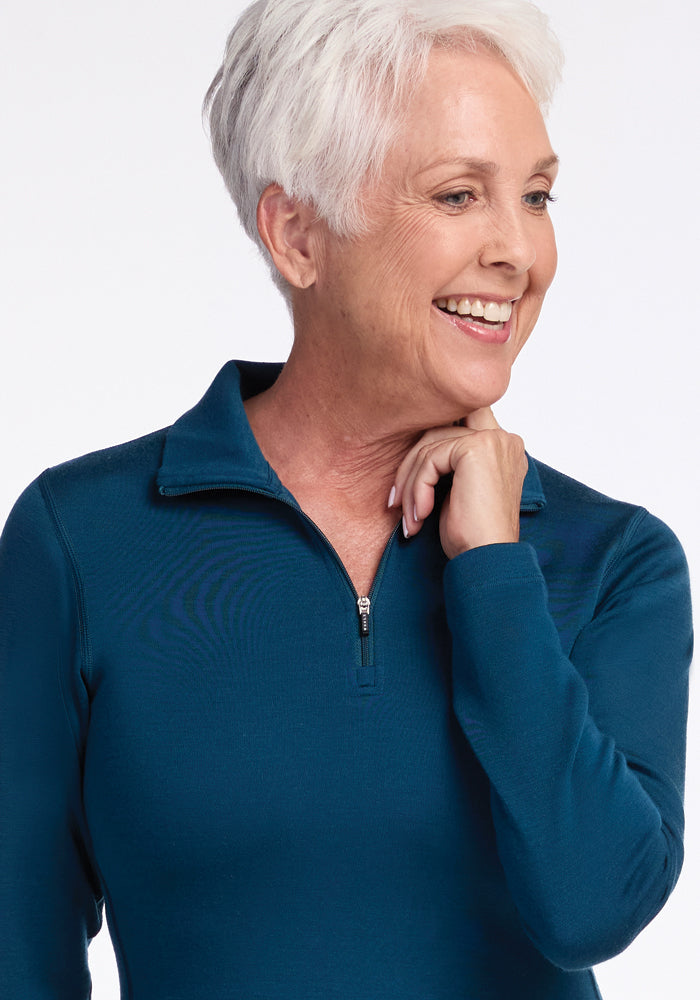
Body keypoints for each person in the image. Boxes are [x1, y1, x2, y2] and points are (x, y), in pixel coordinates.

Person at [0, 0, 692, 997]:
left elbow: (593, 905)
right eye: (458, 195)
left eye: (536, 196)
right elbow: (20, 950)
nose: (518, 252)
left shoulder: (611, 560)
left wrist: (494, 574)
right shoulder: (82, 543)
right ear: (297, 235)